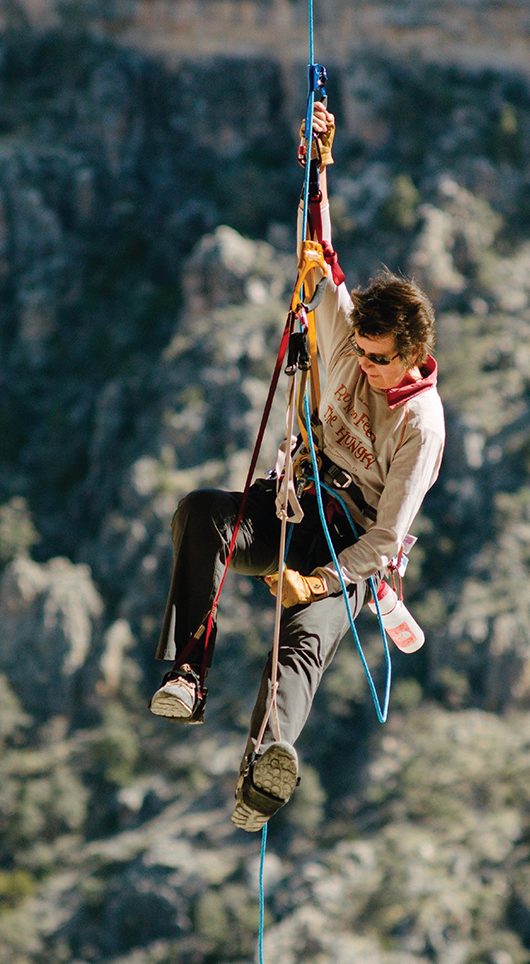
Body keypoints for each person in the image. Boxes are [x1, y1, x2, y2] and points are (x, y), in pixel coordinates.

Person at [149, 102, 445, 832]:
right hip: (297, 499)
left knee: (302, 644)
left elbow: (383, 542)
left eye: (381, 361)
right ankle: (187, 673)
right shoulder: (348, 333)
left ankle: (263, 773)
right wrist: (317, 160)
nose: (367, 368)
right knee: (201, 513)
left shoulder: (420, 426)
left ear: (411, 354)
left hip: (348, 545)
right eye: (364, 355)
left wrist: (313, 580)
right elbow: (319, 248)